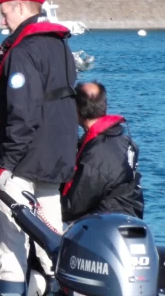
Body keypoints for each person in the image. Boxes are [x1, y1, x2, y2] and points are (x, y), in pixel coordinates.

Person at [0, 0, 78, 295]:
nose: (2, 21)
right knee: (51, 234)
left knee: (9, 241)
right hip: (56, 156)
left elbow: (22, 112)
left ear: (21, 7)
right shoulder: (60, 46)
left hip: (24, 161)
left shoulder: (24, 50)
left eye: (5, 14)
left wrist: (7, 165)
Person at [62, 82, 144, 222]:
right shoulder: (122, 141)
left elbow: (73, 205)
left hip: (107, 220)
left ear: (78, 110)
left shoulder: (98, 153)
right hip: (128, 217)